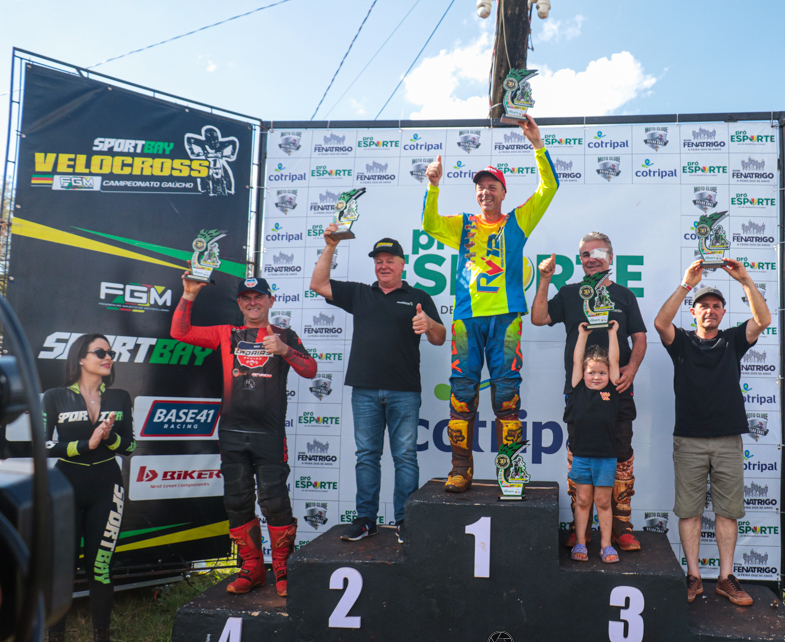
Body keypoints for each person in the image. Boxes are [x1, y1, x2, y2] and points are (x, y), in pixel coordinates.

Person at [421, 114, 558, 492]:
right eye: (480, 187)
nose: (485, 192)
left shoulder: (518, 222)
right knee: (462, 395)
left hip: (507, 319)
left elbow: (549, 187)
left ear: (503, 192)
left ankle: (510, 472)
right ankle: (460, 468)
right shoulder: (463, 225)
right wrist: (433, 187)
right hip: (467, 320)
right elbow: (430, 225)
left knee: (507, 396)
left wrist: (537, 145)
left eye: (492, 186)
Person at [171, 275, 317, 597]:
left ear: (270, 301)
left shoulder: (285, 335)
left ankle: (283, 568)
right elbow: (180, 332)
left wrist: (284, 350)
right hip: (233, 433)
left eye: (259, 297)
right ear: (239, 303)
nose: (253, 302)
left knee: (274, 501)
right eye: (246, 298)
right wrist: (189, 294)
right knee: (236, 501)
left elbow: (310, 370)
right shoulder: (227, 333)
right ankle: (252, 567)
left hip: (269, 434)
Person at [309, 235, 445, 544]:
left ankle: (406, 520)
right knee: (367, 456)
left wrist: (429, 324)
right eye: (378, 261)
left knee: (405, 457)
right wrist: (330, 245)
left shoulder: (418, 297)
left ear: (402, 264)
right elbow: (318, 284)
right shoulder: (360, 293)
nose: (383, 266)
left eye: (390, 261)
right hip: (365, 390)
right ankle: (366, 520)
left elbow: (439, 337)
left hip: (404, 391)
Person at [652, 258, 771, 606]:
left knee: (727, 511)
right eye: (703, 306)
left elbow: (763, 320)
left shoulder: (733, 340)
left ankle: (725, 577)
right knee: (689, 511)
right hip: (688, 439)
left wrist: (745, 280)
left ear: (723, 312)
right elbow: (660, 323)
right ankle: (692, 576)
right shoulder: (681, 342)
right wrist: (686, 284)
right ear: (693, 312)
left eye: (716, 306)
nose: (710, 311)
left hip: (727, 439)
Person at [530, 232, 647, 551]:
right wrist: (545, 279)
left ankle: (622, 526)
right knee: (579, 454)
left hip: (618, 389)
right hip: (579, 392)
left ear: (611, 257)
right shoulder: (570, 293)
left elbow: (639, 337)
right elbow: (538, 318)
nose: (591, 259)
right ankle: (580, 527)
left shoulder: (624, 295)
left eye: (597, 253)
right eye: (585, 254)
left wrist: (631, 368)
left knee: (621, 453)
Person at [39, 334, 135, 642]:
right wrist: (86, 445)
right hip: (65, 488)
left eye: (111, 352)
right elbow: (41, 444)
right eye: (100, 352)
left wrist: (110, 437)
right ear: (81, 358)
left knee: (100, 568)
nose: (108, 357)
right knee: (61, 570)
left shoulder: (120, 397)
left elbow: (130, 446)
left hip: (108, 487)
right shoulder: (55, 396)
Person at [567, 321, 622, 564]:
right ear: (583, 373)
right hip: (581, 456)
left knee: (603, 502)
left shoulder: (613, 388)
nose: (596, 377)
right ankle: (580, 542)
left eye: (602, 372)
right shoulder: (578, 387)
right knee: (582, 501)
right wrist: (582, 335)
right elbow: (577, 360)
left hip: (606, 457)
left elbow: (615, 361)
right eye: (591, 372)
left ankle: (606, 545)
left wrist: (613, 333)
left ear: (608, 374)